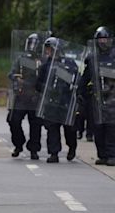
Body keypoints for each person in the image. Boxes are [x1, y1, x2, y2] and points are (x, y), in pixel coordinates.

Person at [36, 37, 79, 163]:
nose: (48, 52)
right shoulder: (45, 66)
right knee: (52, 128)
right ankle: (53, 153)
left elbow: (76, 79)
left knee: (69, 129)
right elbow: (39, 84)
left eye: (50, 49)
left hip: (66, 101)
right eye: (47, 49)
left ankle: (72, 147)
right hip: (51, 102)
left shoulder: (70, 63)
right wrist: (47, 89)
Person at [78, 26, 115, 166]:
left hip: (112, 98)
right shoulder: (93, 58)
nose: (103, 41)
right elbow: (85, 76)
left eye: (105, 38)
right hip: (97, 99)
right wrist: (80, 92)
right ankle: (103, 155)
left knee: (111, 128)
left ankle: (112, 155)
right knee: (97, 128)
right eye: (100, 39)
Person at [7, 33, 43, 160]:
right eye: (30, 43)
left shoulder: (41, 60)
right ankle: (18, 143)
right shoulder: (20, 59)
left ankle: (34, 149)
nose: (32, 47)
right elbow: (11, 74)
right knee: (13, 120)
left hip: (35, 96)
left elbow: (44, 78)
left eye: (35, 44)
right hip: (21, 96)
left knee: (35, 125)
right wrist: (17, 79)